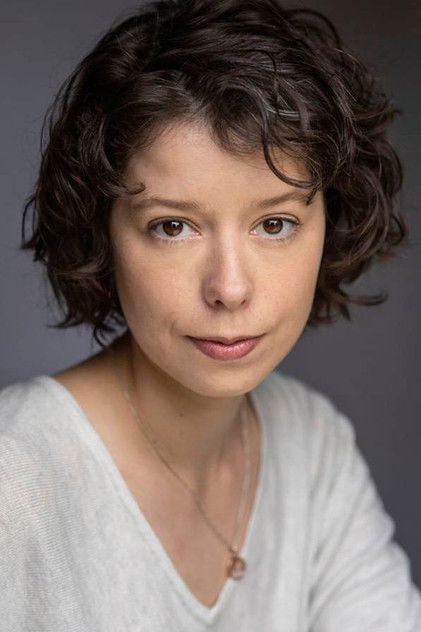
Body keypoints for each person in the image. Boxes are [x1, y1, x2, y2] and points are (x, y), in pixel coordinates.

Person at [1, 0, 420, 629]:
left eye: (274, 224)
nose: (229, 288)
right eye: (173, 227)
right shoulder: (14, 477)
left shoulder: (313, 445)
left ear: (330, 224)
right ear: (104, 234)